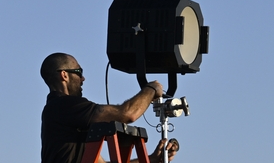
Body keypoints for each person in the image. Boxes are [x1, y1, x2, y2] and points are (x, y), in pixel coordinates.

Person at [41, 53, 179, 163]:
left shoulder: (64, 115)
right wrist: (152, 88)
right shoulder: (64, 105)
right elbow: (127, 114)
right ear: (64, 75)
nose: (83, 78)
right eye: (79, 71)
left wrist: (152, 159)